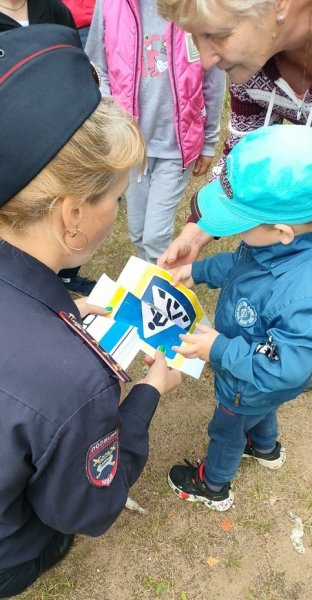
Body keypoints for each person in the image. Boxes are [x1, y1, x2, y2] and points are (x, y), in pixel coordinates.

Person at [0, 24, 181, 598]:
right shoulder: (76, 377)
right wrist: (152, 389)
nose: (117, 209)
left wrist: (64, 309)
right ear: (72, 213)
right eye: (117, 195)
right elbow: (86, 508)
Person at [164, 124, 312, 512]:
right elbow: (240, 263)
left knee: (226, 430)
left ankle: (213, 485)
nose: (234, 233)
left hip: (249, 380)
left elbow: (287, 370)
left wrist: (219, 348)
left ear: (281, 231)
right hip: (263, 389)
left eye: (240, 224)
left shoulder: (301, 295)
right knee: (262, 410)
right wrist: (197, 271)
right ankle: (265, 447)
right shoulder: (279, 247)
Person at [156, 0, 312, 270]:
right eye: (195, 37)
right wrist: (197, 231)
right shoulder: (252, 66)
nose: (205, 61)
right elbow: (245, 148)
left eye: (218, 35)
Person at [85, 0, 225, 264]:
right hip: (131, 145)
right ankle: (151, 287)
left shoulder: (195, 8)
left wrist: (209, 141)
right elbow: (96, 67)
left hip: (176, 146)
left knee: (154, 238)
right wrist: (111, 116)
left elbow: (213, 78)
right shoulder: (110, 5)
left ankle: (158, 296)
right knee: (138, 234)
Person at [0, 0, 99, 295]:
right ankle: (32, 287)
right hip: (16, 142)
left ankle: (66, 275)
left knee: (72, 206)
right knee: (29, 217)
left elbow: (75, 63)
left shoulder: (54, 10)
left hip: (65, 131)